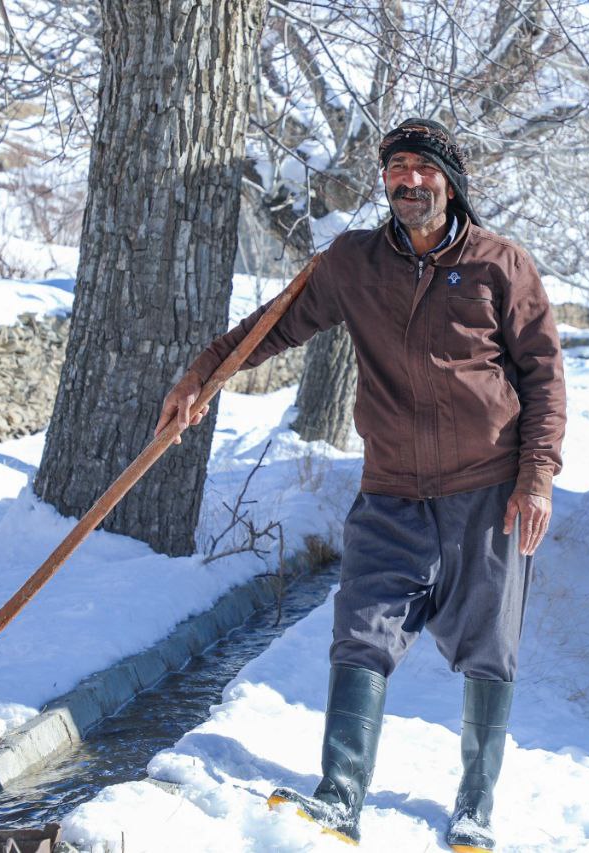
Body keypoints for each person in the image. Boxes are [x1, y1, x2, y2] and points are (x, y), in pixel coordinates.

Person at [155, 118, 566, 851]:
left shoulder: (501, 265)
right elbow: (270, 327)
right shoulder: (353, 262)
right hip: (392, 492)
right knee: (361, 629)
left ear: (452, 180)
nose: (409, 181)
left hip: (486, 490)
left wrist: (535, 478)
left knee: (489, 644)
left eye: (424, 169)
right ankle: (340, 797)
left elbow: (543, 376)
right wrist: (201, 378)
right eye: (397, 168)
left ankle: (475, 806)